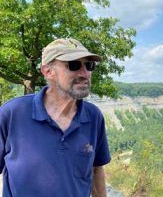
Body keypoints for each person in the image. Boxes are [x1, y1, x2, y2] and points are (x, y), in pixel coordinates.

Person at [0, 38, 111, 197]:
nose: (85, 73)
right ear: (48, 71)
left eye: (89, 65)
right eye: (74, 65)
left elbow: (96, 168)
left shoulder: (94, 117)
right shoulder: (12, 114)